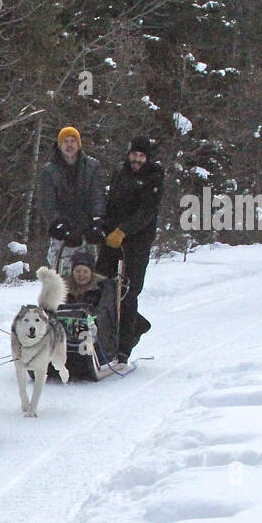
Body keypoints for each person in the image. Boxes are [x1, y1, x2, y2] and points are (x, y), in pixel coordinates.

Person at [99, 135, 163, 363]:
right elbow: (111, 205)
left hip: (136, 243)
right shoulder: (121, 173)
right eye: (134, 155)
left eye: (141, 156)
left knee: (127, 293)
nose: (137, 160)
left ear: (147, 158)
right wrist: (105, 227)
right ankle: (107, 337)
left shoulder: (154, 178)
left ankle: (125, 345)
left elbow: (147, 212)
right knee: (101, 287)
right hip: (112, 240)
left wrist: (124, 230)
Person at [38, 126, 106, 276]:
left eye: (73, 141)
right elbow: (47, 202)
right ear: (60, 145)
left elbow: (97, 196)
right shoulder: (49, 170)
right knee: (62, 279)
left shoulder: (92, 166)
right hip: (62, 235)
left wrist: (97, 222)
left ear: (79, 144)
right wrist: (59, 226)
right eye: (65, 141)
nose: (69, 145)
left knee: (88, 277)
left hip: (87, 232)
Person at [62, 249, 118, 362]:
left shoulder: (101, 288)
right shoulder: (65, 288)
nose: (81, 275)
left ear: (91, 272)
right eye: (77, 271)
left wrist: (87, 318)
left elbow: (104, 311)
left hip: (95, 330)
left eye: (85, 271)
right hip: (70, 330)